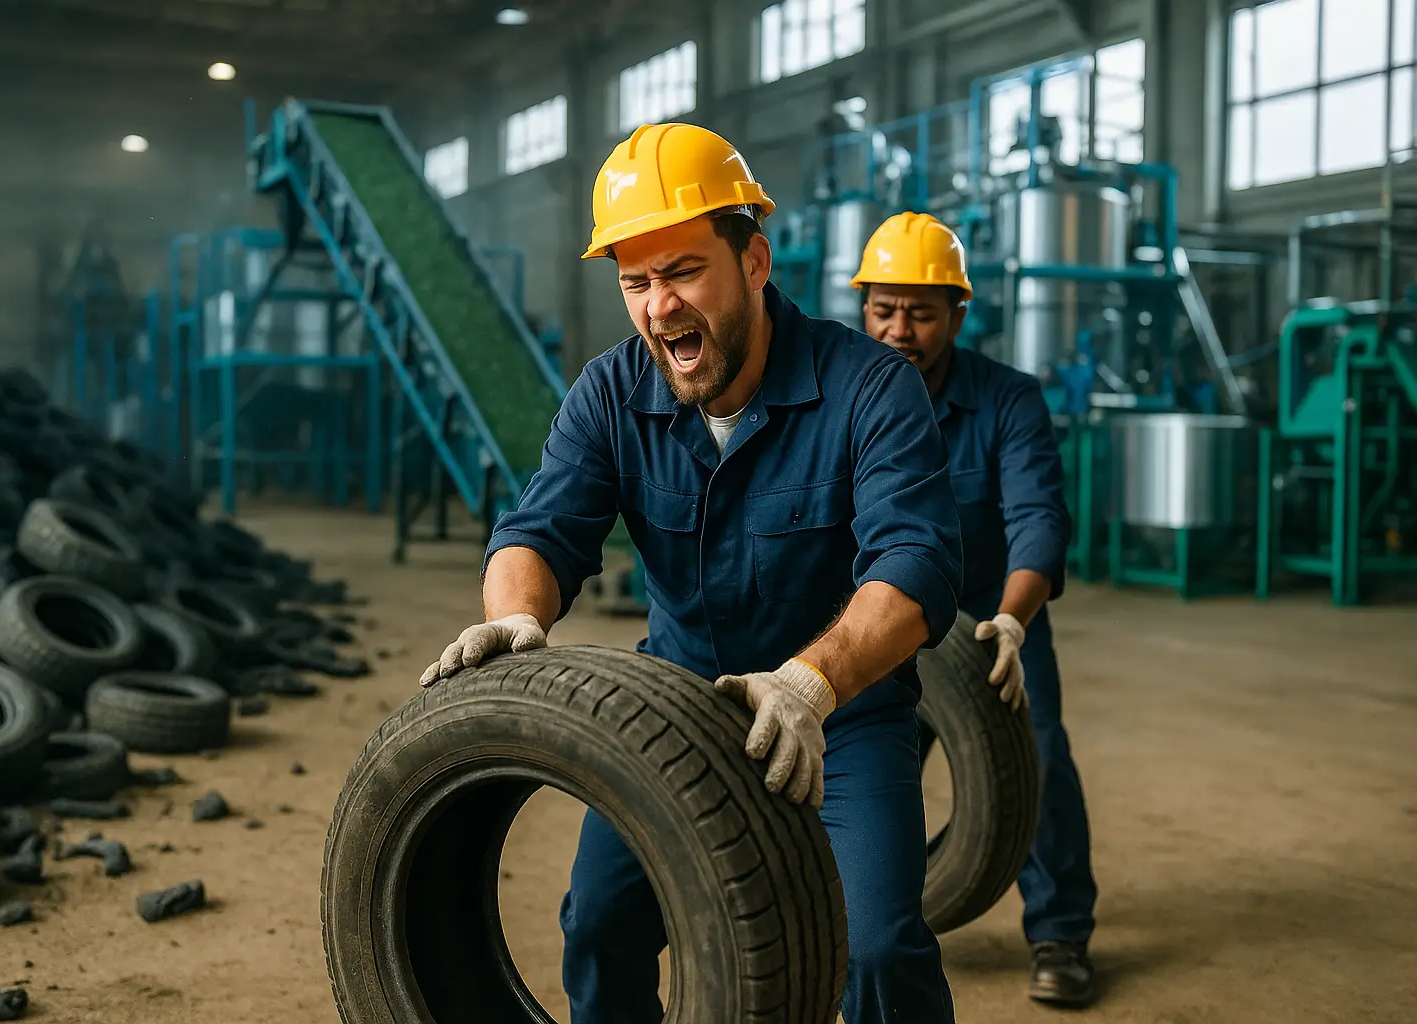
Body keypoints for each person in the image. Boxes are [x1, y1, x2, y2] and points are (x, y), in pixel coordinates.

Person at [420, 123, 964, 1024]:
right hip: (674, 709)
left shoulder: (870, 387)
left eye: (681, 272)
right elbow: (540, 529)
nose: (659, 308)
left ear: (753, 260)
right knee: (597, 925)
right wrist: (516, 616)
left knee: (874, 949)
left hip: (841, 716)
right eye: (635, 282)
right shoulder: (610, 392)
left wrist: (811, 683)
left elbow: (915, 566)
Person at [851, 211, 1098, 1007]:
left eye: (921, 312)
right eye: (884, 309)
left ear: (958, 314)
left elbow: (1038, 521)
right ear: (865, 309)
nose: (900, 330)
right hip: (880, 629)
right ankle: (862, 919)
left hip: (992, 630)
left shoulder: (1007, 402)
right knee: (855, 774)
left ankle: (1059, 932)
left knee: (1040, 762)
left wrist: (1017, 620)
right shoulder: (847, 391)